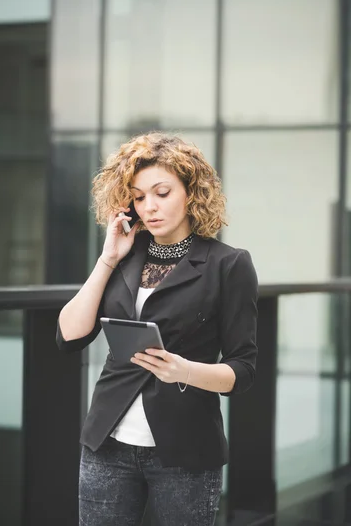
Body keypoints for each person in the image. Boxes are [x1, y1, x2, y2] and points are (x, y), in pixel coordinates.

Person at [56, 131, 258, 526]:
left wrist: (183, 370)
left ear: (191, 192)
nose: (149, 206)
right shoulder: (125, 256)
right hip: (106, 445)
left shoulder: (229, 265)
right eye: (138, 196)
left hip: (185, 452)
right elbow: (69, 336)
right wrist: (108, 258)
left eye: (162, 192)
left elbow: (243, 371)